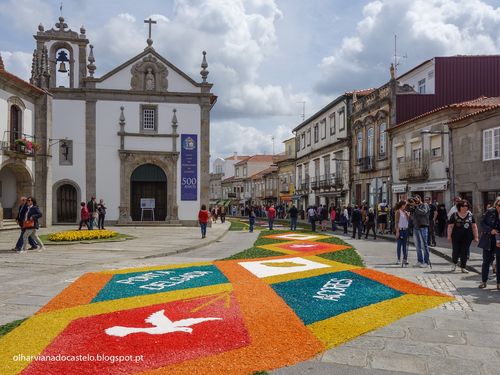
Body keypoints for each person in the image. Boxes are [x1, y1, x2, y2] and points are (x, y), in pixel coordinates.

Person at [448, 200, 478, 273]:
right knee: (456, 251)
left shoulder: (470, 215)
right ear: (459, 207)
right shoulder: (454, 215)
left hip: (467, 237)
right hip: (456, 236)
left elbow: (474, 226)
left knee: (464, 252)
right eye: (463, 206)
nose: (465, 207)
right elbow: (450, 226)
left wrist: (476, 236)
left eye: (466, 206)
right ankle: (454, 263)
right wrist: (449, 236)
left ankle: (463, 267)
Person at [478, 196, 500, 289]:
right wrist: (490, 230)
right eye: (499, 205)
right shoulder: (490, 212)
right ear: (496, 205)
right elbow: (482, 223)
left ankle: (499, 283)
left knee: (499, 262)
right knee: (486, 261)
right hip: (488, 240)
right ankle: (484, 281)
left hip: (499, 240)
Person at [411, 195, 431, 267]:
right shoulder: (414, 207)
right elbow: (412, 217)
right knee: (417, 245)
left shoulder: (424, 205)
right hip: (416, 227)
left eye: (416, 199)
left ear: (419, 199)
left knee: (424, 245)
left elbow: (423, 212)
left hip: (423, 227)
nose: (415, 201)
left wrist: (416, 207)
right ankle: (420, 260)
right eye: (414, 199)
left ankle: (426, 262)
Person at [395, 200, 410, 266]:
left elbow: (408, 221)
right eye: (405, 205)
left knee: (405, 245)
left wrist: (408, 215)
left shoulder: (406, 212)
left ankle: (405, 259)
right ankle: (398, 259)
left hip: (405, 230)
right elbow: (397, 222)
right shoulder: (398, 212)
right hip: (400, 230)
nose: (406, 206)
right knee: (399, 245)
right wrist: (397, 231)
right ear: (402, 205)